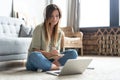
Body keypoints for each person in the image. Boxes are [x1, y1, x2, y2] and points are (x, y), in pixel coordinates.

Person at [26, 4, 78, 72]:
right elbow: (36, 50)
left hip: (50, 60)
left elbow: (56, 52)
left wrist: (58, 55)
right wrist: (50, 54)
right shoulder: (39, 28)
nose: (54, 19)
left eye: (57, 16)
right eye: (51, 16)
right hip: (36, 60)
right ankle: (54, 67)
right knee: (34, 55)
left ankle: (48, 66)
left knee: (73, 53)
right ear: (47, 16)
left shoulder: (59, 32)